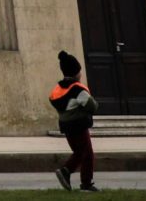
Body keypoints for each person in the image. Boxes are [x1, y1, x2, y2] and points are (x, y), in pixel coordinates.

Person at [50, 49, 98, 191]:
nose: (81, 74)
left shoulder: (59, 89)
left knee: (79, 152)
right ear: (76, 72)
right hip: (79, 125)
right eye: (79, 71)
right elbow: (92, 106)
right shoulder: (78, 90)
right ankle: (85, 183)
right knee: (88, 154)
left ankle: (66, 172)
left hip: (66, 126)